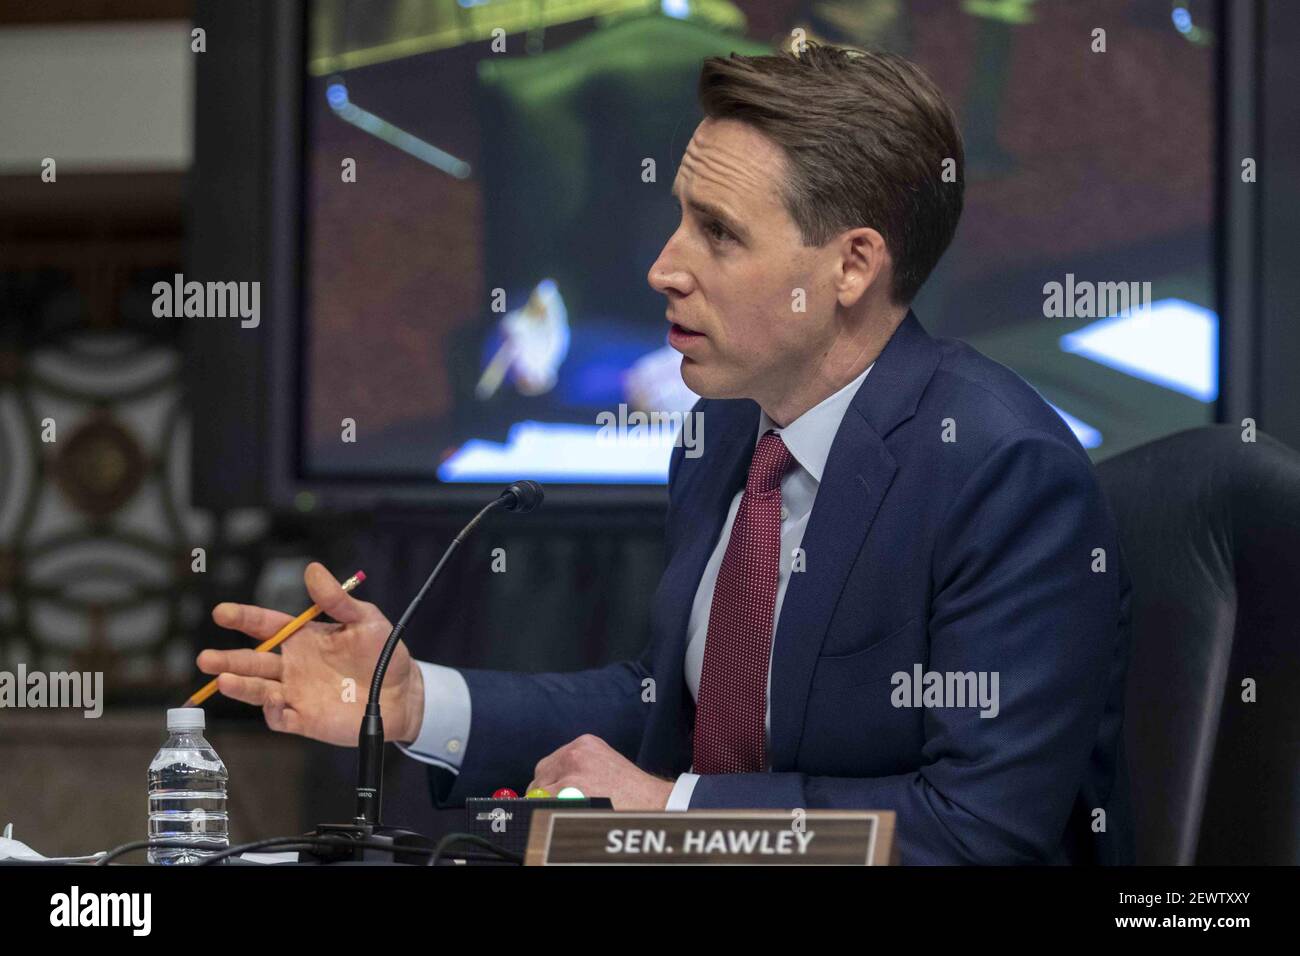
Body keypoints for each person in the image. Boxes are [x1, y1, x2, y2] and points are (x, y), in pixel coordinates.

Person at [199, 42, 1134, 864]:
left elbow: (978, 831)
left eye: (719, 232)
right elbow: (663, 704)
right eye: (682, 215)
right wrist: (414, 704)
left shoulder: (1002, 473)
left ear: (851, 267)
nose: (665, 266)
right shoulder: (726, 428)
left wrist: (676, 811)